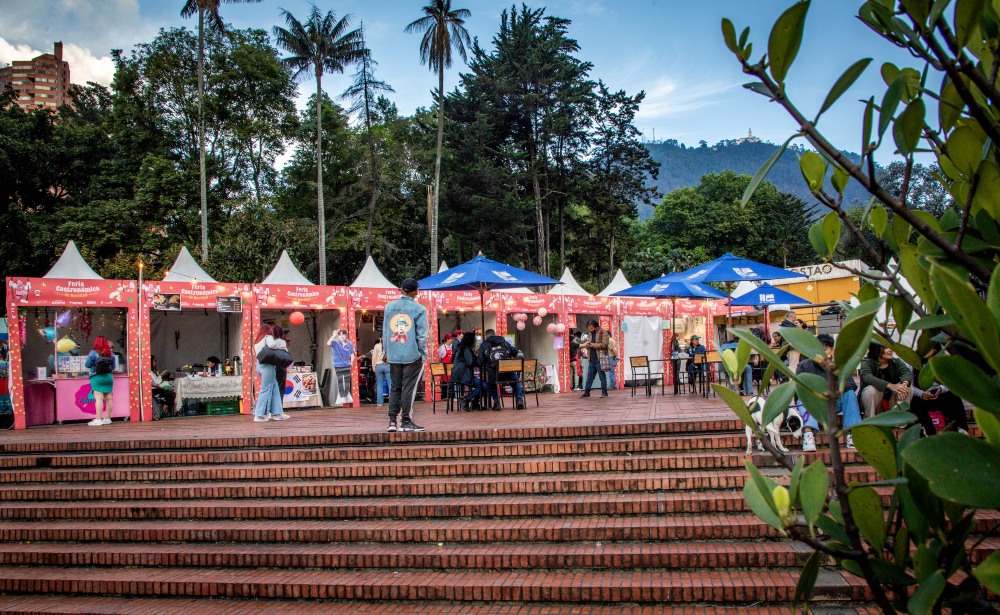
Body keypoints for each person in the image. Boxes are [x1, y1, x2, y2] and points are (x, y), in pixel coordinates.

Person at [795, 334, 861, 451]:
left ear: (832, 350)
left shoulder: (839, 365)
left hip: (833, 403)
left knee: (850, 394)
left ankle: (854, 433)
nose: (821, 352)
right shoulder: (803, 366)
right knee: (805, 397)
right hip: (814, 404)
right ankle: (808, 434)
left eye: (825, 348)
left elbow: (851, 384)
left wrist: (834, 391)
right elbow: (799, 389)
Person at [383, 277, 428, 432]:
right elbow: (422, 336)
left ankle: (392, 421)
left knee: (395, 387)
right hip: (412, 354)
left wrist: (386, 351)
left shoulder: (389, 307)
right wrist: (423, 352)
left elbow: (385, 332)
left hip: (393, 354)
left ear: (402, 289)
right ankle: (406, 421)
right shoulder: (419, 309)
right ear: (415, 292)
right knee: (408, 388)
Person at [858, 342, 913, 419]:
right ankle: (870, 423)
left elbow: (906, 372)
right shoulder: (867, 362)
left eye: (891, 347)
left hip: (892, 403)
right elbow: (867, 377)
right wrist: (890, 385)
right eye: (886, 348)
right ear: (876, 349)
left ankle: (899, 423)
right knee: (871, 390)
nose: (891, 350)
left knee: (907, 388)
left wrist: (904, 383)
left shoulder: (896, 362)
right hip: (875, 404)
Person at [478, 329, 525, 410]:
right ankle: (519, 399)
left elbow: (480, 361)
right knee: (515, 382)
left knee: (492, 385)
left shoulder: (484, 345)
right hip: (508, 372)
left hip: (494, 374)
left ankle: (496, 403)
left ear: (486, 336)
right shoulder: (503, 341)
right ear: (495, 334)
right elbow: (515, 352)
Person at [253, 323, 290, 422]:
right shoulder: (268, 337)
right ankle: (259, 414)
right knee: (266, 389)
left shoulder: (257, 341)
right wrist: (279, 348)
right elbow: (272, 345)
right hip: (268, 366)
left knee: (274, 387)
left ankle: (277, 413)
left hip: (259, 365)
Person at [84, 335, 118, 426]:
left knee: (99, 398)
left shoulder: (93, 353)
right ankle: (107, 419)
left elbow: (87, 365)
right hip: (108, 377)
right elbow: (114, 367)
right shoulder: (111, 354)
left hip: (96, 377)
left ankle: (98, 419)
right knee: (109, 398)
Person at [451, 331, 487, 411]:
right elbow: (470, 362)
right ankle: (466, 399)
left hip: (460, 375)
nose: (475, 341)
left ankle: (474, 403)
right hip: (464, 376)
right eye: (474, 339)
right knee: (483, 386)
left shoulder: (461, 348)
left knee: (481, 385)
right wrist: (479, 360)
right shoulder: (466, 349)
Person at [579, 320, 610, 398]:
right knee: (589, 377)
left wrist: (593, 345)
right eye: (589, 328)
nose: (590, 329)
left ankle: (604, 392)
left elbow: (605, 344)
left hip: (600, 358)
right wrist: (587, 345)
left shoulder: (603, 332)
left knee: (602, 377)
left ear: (595, 326)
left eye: (592, 327)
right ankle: (586, 392)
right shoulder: (590, 333)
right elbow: (588, 344)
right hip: (591, 359)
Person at [328, 329, 355, 405]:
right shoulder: (335, 342)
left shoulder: (349, 343)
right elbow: (328, 343)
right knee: (340, 381)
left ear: (346, 335)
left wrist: (351, 362)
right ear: (338, 336)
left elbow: (352, 354)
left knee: (347, 381)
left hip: (346, 364)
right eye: (340, 335)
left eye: (344, 334)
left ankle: (345, 395)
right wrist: (334, 335)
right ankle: (342, 396)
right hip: (337, 365)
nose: (342, 336)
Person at [271, 325, 290, 413]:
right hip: (281, 366)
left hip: (272, 366)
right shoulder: (282, 341)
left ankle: (272, 409)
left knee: (273, 388)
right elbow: (284, 352)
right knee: (280, 388)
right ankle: (279, 410)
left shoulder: (271, 341)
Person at [371, 335, 391, 407]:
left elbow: (374, 357)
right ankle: (392, 402)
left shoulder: (377, 346)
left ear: (380, 338)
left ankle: (379, 402)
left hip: (379, 366)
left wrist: (373, 366)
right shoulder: (390, 345)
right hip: (388, 365)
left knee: (380, 385)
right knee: (390, 384)